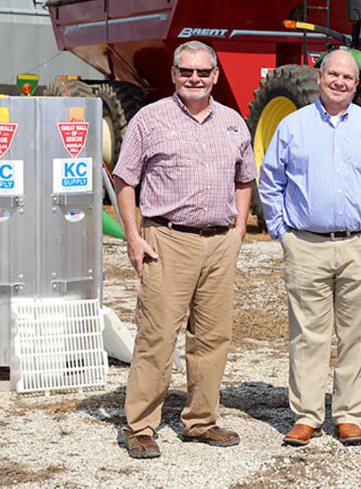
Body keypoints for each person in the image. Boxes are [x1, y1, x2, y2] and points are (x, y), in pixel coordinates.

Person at [258, 49, 361, 447]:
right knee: (307, 334)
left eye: (348, 77)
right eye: (333, 75)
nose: (340, 82)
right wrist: (281, 231)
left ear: (356, 85)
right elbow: (270, 180)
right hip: (307, 245)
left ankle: (347, 414)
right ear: (320, 77)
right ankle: (306, 415)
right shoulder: (293, 127)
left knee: (356, 334)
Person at [113, 40, 255, 459]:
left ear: (215, 76)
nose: (195, 78)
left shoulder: (232, 122)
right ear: (174, 74)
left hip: (219, 242)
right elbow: (125, 180)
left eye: (203, 72)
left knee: (212, 336)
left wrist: (239, 228)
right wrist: (133, 236)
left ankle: (200, 421)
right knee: (157, 335)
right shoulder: (148, 120)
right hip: (167, 240)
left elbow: (245, 178)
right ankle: (140, 426)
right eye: (186, 71)